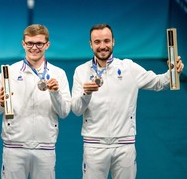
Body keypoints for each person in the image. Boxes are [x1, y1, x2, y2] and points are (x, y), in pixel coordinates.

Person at [71, 23, 184, 179]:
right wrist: (86, 94)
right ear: (91, 44)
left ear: (113, 42)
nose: (102, 46)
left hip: (125, 144)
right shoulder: (81, 71)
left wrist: (172, 73)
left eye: (106, 41)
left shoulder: (128, 67)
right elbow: (76, 110)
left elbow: (158, 83)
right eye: (97, 42)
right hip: (94, 144)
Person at [0, 24, 71, 179]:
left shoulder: (58, 73)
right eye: (30, 43)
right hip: (14, 147)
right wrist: (0, 103)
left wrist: (55, 93)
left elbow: (64, 112)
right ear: (23, 44)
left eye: (39, 43)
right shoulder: (9, 72)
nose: (34, 48)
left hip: (45, 147)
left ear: (47, 44)